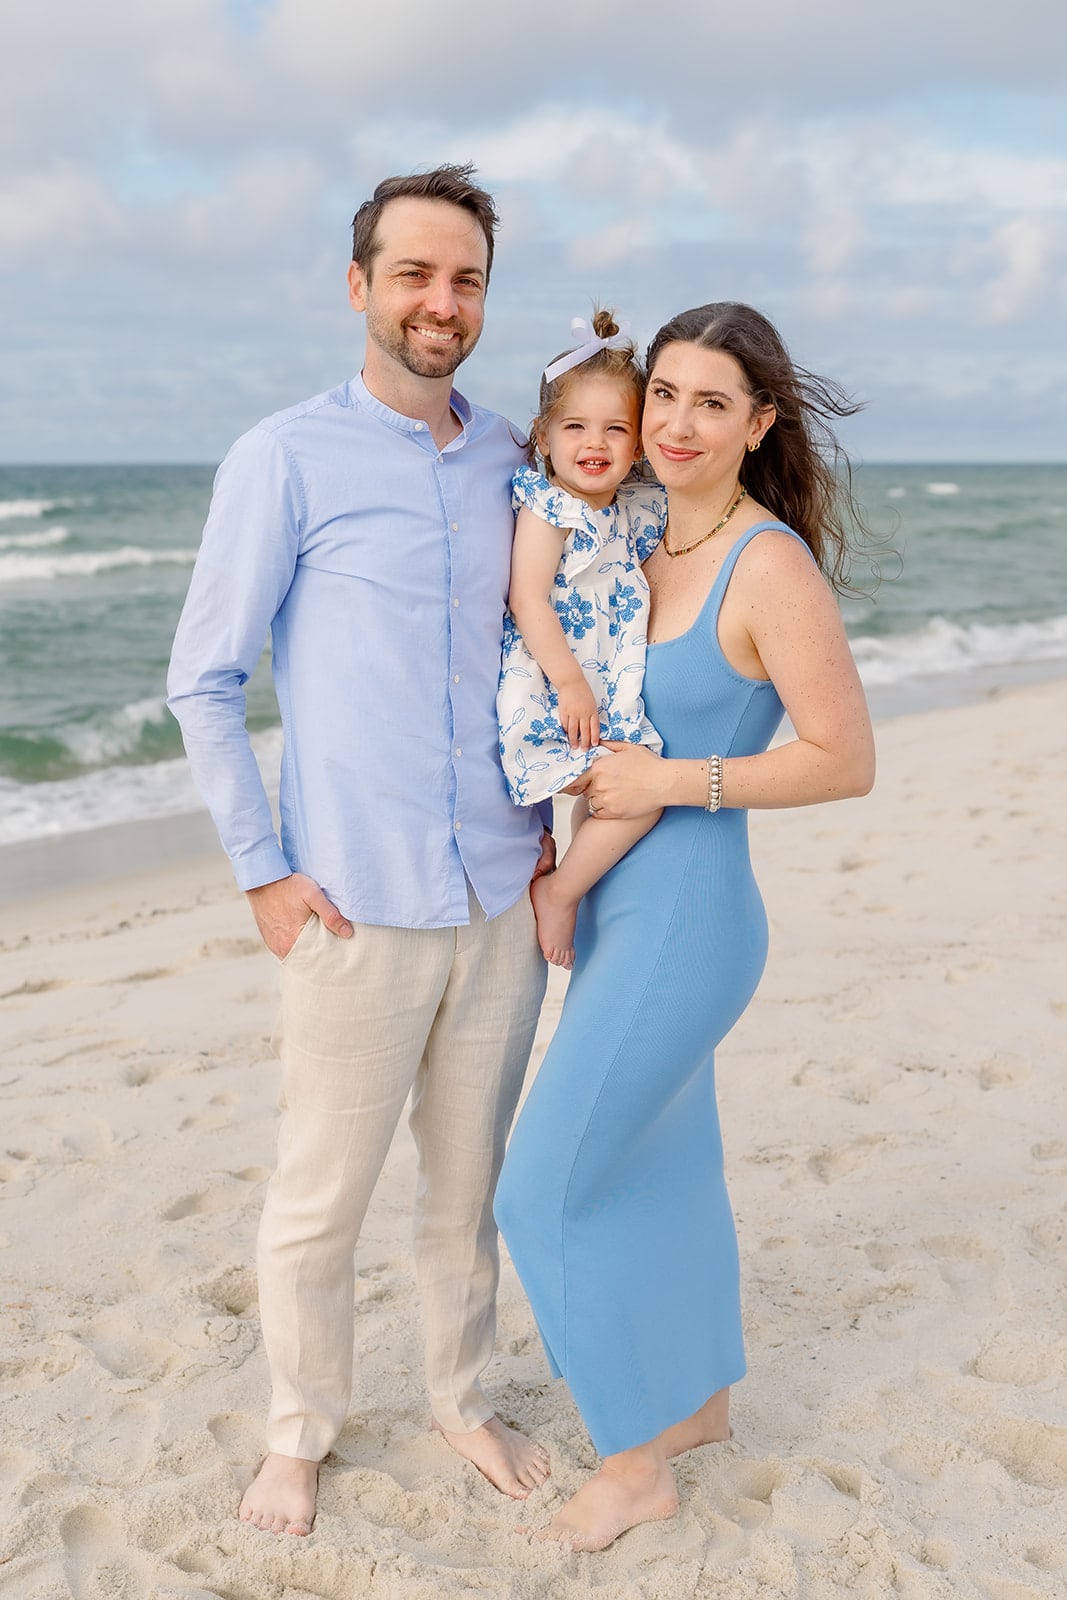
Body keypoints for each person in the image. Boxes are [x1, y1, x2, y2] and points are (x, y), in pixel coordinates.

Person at [167, 164, 553, 1538]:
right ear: (359, 287)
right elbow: (203, 678)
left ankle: (458, 1396)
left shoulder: (520, 457)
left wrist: (560, 843)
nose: (438, 302)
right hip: (352, 910)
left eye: (463, 280)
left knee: (469, 1193)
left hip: (501, 895)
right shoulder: (282, 457)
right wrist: (262, 871)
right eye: (413, 274)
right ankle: (295, 1434)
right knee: (317, 1205)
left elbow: (544, 658)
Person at [495, 302, 876, 1551]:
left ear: (758, 422)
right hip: (617, 907)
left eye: (710, 402)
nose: (673, 422)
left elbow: (841, 758)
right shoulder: (642, 529)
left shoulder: (765, 563)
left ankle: (631, 1460)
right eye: (662, 393)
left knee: (539, 1185)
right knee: (661, 1163)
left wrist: (674, 781)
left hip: (689, 912)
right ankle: (698, 1403)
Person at [497, 310, 667, 967]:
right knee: (642, 796)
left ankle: (575, 884)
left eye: (614, 429)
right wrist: (569, 684)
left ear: (638, 444)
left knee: (608, 801)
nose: (593, 443)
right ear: (543, 436)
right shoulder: (551, 508)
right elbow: (526, 598)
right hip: (556, 688)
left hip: (601, 684)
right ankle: (561, 893)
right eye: (574, 427)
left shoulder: (629, 502)